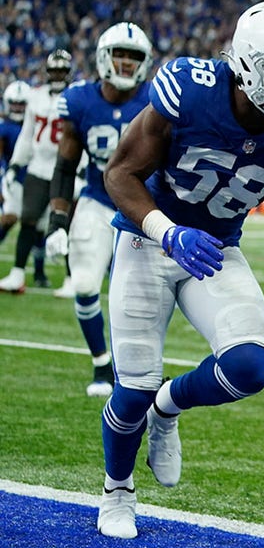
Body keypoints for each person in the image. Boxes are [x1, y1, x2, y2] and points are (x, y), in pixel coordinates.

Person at [96, 0, 264, 539]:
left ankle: (169, 406)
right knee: (131, 388)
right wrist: (168, 231)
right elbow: (120, 174)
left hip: (216, 250)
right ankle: (117, 489)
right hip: (147, 241)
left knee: (250, 367)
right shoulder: (191, 87)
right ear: (251, 69)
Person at [43, 22, 154, 398]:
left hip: (142, 208)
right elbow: (64, 165)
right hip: (96, 198)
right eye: (119, 54)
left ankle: (134, 372)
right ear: (104, 57)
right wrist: (58, 221)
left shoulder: (157, 101)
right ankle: (101, 363)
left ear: (145, 61)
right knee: (87, 284)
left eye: (133, 56)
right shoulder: (80, 101)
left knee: (138, 301)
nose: (125, 63)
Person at [0, 51, 74, 294]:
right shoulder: (36, 96)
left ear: (68, 72)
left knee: (64, 223)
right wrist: (14, 165)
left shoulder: (75, 97)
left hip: (64, 167)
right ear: (48, 72)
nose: (57, 75)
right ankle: (17, 273)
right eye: (54, 71)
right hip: (38, 167)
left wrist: (81, 170)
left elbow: (80, 135)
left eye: (62, 71)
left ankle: (71, 279)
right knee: (28, 220)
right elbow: (27, 135)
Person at [0, 80, 31, 246]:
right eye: (14, 104)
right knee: (9, 218)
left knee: (37, 225)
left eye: (22, 104)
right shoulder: (5, 127)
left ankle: (39, 270)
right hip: (14, 179)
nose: (18, 108)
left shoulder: (35, 125)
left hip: (36, 178)